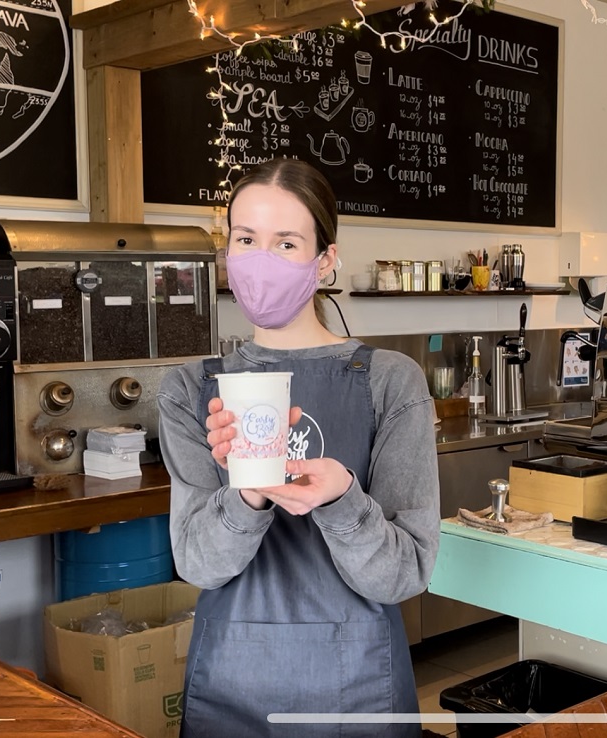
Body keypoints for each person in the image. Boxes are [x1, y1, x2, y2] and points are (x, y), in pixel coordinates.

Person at [158, 158, 440, 738]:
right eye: (246, 239)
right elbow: (198, 565)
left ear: (325, 259)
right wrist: (249, 492)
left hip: (359, 689)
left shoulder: (390, 381)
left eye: (286, 243)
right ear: (228, 251)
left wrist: (342, 501)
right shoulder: (190, 390)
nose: (261, 260)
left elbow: (405, 575)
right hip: (230, 692)